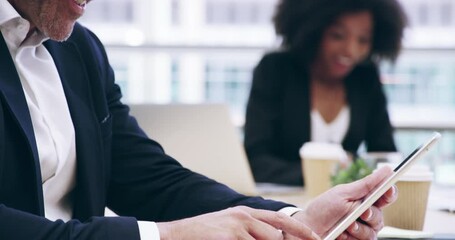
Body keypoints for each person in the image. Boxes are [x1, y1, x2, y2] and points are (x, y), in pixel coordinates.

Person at [0, 0, 397, 239]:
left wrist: (292, 220)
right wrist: (167, 235)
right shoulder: (279, 71)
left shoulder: (80, 51)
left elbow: (152, 179)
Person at [244, 0, 407, 186]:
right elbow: (256, 160)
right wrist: (329, 175)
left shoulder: (365, 77)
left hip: (346, 206)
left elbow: (385, 155)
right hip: (283, 204)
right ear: (313, 30)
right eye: (337, 35)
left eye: (363, 40)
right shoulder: (275, 70)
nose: (351, 50)